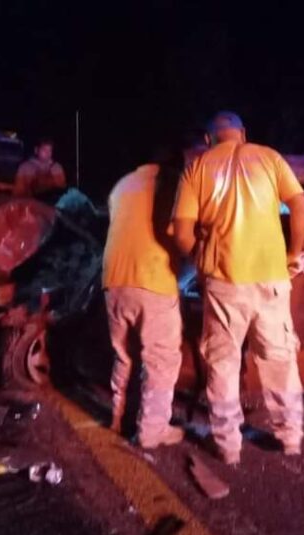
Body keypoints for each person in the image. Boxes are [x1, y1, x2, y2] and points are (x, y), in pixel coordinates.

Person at [171, 111, 304, 465]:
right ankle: (290, 437)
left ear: (208, 139)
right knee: (279, 359)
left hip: (224, 283)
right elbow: (300, 207)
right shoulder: (269, 157)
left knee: (223, 364)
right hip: (271, 279)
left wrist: (202, 262)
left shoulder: (197, 168)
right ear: (242, 134)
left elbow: (182, 232)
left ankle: (229, 446)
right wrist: (292, 252)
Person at [101, 136, 204, 448]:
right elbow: (182, 231)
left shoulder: (120, 186)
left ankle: (117, 417)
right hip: (153, 278)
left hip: (113, 280)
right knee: (161, 360)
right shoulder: (174, 183)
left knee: (124, 354)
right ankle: (151, 432)